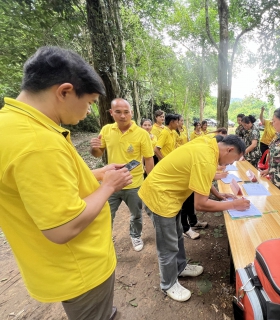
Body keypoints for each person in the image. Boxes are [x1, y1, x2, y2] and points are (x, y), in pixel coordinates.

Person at [0, 46, 132, 320]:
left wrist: (96, 175)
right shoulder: (39, 144)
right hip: (79, 268)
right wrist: (108, 186)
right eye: (90, 102)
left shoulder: (12, 125)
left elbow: (43, 184)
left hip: (53, 264)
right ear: (64, 91)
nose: (89, 112)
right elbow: (62, 227)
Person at [138, 135, 250, 302]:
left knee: (177, 235)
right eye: (233, 160)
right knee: (168, 246)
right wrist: (234, 205)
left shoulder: (209, 144)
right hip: (160, 197)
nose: (230, 164)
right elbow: (201, 204)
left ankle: (180, 267)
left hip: (171, 196)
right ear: (229, 150)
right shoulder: (206, 158)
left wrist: (218, 194)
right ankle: (168, 284)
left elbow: (202, 175)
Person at [90, 99, 154, 252]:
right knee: (105, 214)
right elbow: (98, 154)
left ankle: (135, 235)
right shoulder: (106, 130)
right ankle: (105, 241)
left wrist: (150, 182)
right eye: (118, 112)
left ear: (131, 113)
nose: (123, 116)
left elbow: (148, 158)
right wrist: (94, 148)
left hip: (134, 183)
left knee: (136, 214)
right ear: (111, 113)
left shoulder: (141, 134)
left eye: (126, 112)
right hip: (110, 183)